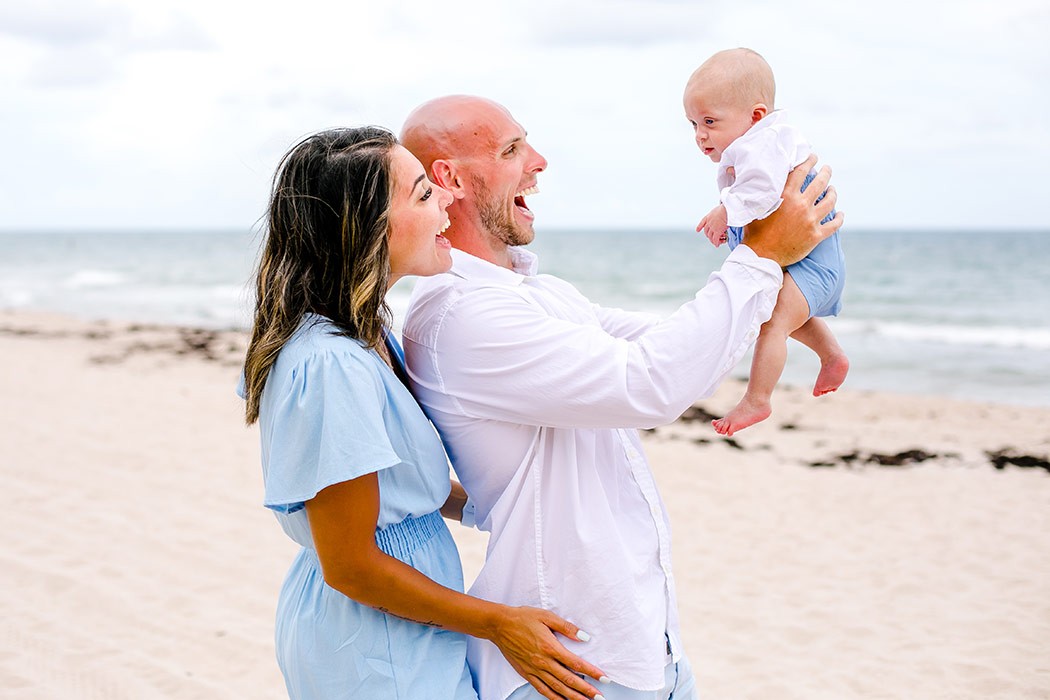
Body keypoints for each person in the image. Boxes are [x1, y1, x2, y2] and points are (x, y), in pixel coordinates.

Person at [398, 96, 842, 700]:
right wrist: (761, 254)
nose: (540, 161)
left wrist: (792, 272)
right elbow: (650, 385)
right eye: (512, 150)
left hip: (644, 652)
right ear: (449, 179)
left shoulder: (538, 293)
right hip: (569, 667)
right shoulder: (460, 314)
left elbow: (678, 349)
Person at [239, 126, 608, 700]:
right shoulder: (331, 365)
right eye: (422, 194)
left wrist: (505, 500)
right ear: (365, 227)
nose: (449, 199)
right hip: (374, 642)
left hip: (390, 624)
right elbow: (351, 564)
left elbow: (392, 488)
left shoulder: (367, 333)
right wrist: (498, 623)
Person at [685, 48, 850, 436]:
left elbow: (759, 191)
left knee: (772, 323)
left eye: (709, 121)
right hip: (803, 261)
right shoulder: (757, 145)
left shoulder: (766, 142)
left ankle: (758, 399)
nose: (700, 135)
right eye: (692, 123)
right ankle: (832, 356)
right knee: (785, 316)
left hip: (811, 265)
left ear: (755, 116)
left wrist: (726, 211)